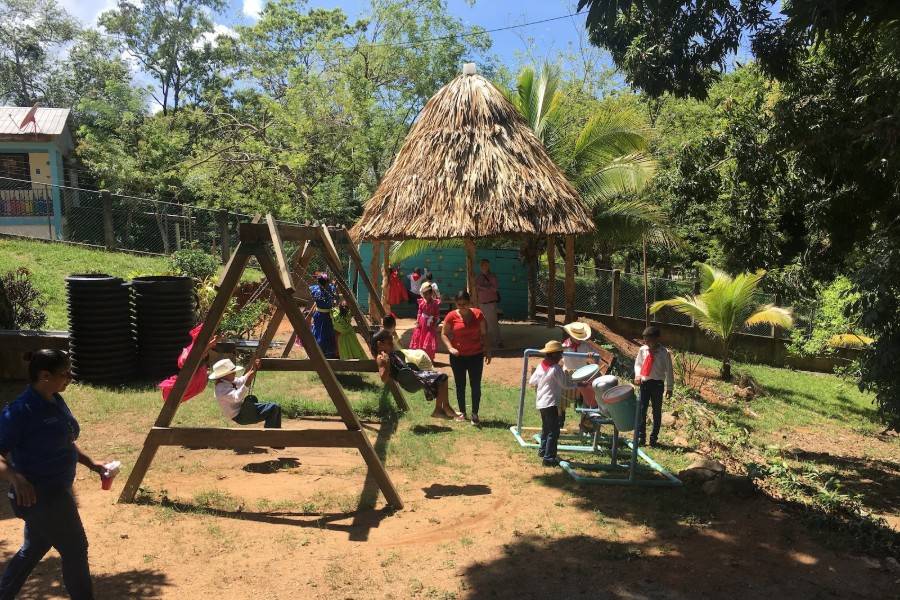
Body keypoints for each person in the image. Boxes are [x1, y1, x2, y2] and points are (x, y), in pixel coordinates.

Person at [0, 350, 106, 600]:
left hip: (54, 492)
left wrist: (91, 463)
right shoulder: (21, 411)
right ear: (44, 375)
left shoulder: (55, 398)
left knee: (34, 547)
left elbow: (65, 440)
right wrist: (15, 477)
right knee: (76, 549)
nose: (70, 376)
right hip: (41, 497)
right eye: (64, 373)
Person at [372, 329, 458, 418]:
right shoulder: (381, 358)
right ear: (379, 344)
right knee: (442, 377)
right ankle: (444, 408)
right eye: (389, 343)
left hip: (413, 374)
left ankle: (439, 409)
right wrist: (387, 363)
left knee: (441, 379)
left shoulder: (389, 353)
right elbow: (384, 378)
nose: (392, 345)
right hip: (409, 380)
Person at [440, 290, 491, 424]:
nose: (462, 306)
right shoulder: (451, 316)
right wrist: (450, 348)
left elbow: (484, 333)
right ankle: (462, 412)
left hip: (476, 355)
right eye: (459, 304)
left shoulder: (478, 314)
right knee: (460, 385)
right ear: (456, 303)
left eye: (465, 304)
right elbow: (444, 334)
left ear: (470, 303)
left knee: (475, 385)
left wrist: (487, 349)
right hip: (458, 357)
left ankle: (475, 413)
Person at [528, 340, 580, 467]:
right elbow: (565, 385)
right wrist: (578, 385)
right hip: (550, 402)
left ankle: (543, 451)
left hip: (541, 402)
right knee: (554, 431)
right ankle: (549, 458)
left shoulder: (542, 365)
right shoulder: (556, 368)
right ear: (553, 354)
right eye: (560, 353)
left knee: (546, 428)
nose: (561, 356)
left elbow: (532, 381)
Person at [211, 358, 282, 429]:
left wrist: (253, 368)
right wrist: (248, 382)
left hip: (243, 410)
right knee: (273, 408)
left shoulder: (228, 381)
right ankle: (271, 436)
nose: (235, 373)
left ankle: (275, 434)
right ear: (224, 375)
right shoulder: (220, 389)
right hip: (240, 415)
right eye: (232, 372)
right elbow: (237, 397)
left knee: (276, 407)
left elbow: (242, 380)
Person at [633, 326, 674, 447]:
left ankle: (653, 438)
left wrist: (669, 388)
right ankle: (641, 437)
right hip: (645, 384)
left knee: (656, 411)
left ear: (656, 339)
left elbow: (669, 371)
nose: (646, 342)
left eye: (649, 340)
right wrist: (638, 375)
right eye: (645, 340)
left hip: (658, 385)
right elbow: (638, 364)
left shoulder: (664, 353)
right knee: (641, 410)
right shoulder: (642, 350)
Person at [409, 281, 441, 360]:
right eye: (424, 294)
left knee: (429, 339)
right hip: (422, 323)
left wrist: (435, 321)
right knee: (420, 338)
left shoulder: (435, 304)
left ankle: (428, 358)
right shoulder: (422, 302)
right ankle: (420, 357)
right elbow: (419, 312)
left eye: (427, 294)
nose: (426, 296)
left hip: (430, 325)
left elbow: (436, 314)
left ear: (431, 293)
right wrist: (417, 320)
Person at [475, 259, 503, 348]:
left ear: (488, 266)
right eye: (482, 265)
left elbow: (495, 289)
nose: (484, 266)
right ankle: (483, 342)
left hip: (490, 303)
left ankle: (498, 341)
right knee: (482, 323)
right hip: (481, 303)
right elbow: (475, 288)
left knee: (493, 323)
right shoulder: (478, 277)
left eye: (486, 265)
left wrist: (482, 287)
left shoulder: (492, 276)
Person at [309, 273, 338, 358]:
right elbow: (336, 298)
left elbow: (312, 294)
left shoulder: (315, 289)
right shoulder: (331, 289)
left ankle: (317, 352)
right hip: (328, 315)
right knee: (327, 333)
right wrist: (334, 285)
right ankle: (328, 353)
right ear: (326, 282)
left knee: (318, 332)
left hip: (318, 315)